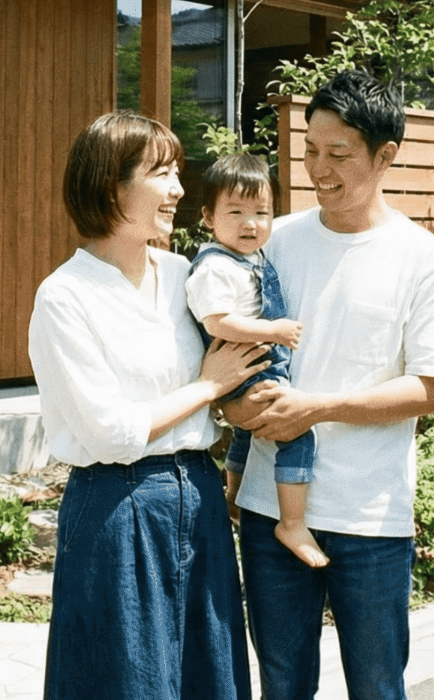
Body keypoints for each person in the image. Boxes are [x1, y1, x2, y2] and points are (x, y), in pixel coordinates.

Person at [224, 69, 434, 700]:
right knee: (281, 684)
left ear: (386, 155)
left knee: (378, 687)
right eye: (309, 151)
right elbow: (234, 353)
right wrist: (241, 408)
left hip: (372, 515)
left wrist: (318, 408)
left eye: (338, 155)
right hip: (269, 509)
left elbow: (430, 387)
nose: (318, 170)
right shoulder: (276, 243)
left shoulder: (423, 258)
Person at [28, 110, 268, 700]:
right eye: (162, 173)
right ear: (112, 185)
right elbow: (113, 432)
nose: (180, 191)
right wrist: (208, 387)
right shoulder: (65, 296)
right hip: (118, 508)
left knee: (208, 678)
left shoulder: (186, 273)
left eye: (178, 172)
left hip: (200, 495)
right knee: (126, 682)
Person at [185, 152, 325, 568]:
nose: (251, 223)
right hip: (245, 363)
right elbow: (218, 321)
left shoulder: (250, 257)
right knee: (297, 433)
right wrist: (274, 331)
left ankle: (234, 496)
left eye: (262, 213)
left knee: (248, 436)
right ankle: (293, 522)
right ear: (209, 217)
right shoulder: (215, 267)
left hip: (256, 362)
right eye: (236, 212)